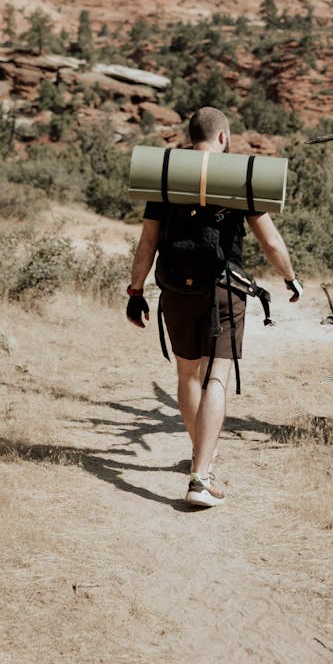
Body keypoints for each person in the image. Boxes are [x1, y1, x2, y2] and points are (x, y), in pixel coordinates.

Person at [126, 107, 302, 508]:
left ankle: (200, 455)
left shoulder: (166, 175)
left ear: (191, 137)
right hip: (223, 288)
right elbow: (271, 243)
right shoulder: (237, 180)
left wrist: (136, 292)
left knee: (188, 374)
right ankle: (200, 477)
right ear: (223, 137)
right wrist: (291, 278)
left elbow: (146, 244)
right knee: (216, 379)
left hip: (175, 288)